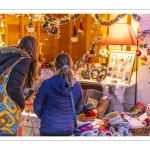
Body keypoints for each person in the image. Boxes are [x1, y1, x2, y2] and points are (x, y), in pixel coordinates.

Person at [34, 53, 83, 136]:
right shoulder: (76, 86)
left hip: (48, 128)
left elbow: (37, 106)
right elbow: (77, 110)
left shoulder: (47, 84)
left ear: (55, 67)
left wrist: (45, 116)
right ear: (71, 66)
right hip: (67, 129)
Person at [0, 35, 38, 136]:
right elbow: (13, 88)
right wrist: (22, 104)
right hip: (6, 116)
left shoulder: (7, 56)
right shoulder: (23, 60)